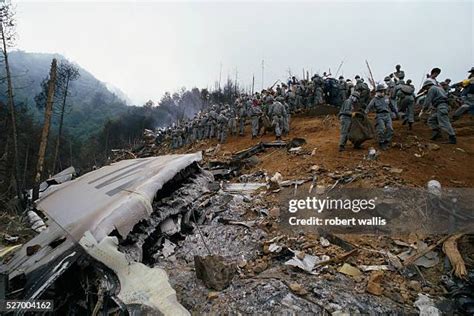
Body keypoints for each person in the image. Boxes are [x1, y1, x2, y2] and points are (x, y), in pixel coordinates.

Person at [422, 79, 456, 144]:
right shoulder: (440, 88)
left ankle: (452, 137)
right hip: (441, 107)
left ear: (427, 86)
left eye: (425, 88)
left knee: (444, 122)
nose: (425, 89)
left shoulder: (432, 89)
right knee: (431, 120)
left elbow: (428, 100)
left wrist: (423, 109)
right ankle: (437, 132)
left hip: (441, 107)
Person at [365, 84, 398, 150]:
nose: (382, 92)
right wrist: (365, 112)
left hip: (387, 115)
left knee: (390, 129)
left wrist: (396, 112)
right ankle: (381, 142)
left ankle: (386, 141)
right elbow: (369, 107)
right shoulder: (374, 99)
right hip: (380, 115)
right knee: (381, 129)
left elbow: (391, 106)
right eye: (380, 91)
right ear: (377, 92)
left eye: (383, 91)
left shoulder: (386, 98)